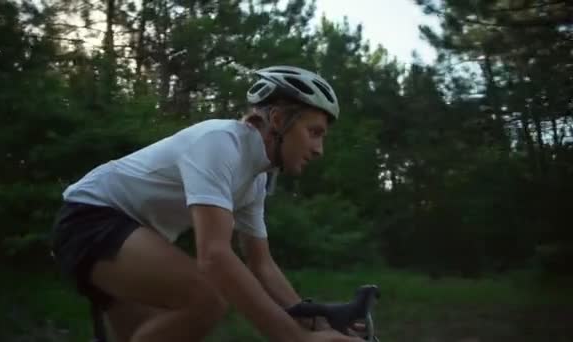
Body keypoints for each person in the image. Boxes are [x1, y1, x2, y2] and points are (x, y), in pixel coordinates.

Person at [51, 65, 364, 342]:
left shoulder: (254, 180)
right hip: (89, 219)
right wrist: (295, 339)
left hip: (128, 235)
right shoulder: (221, 143)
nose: (319, 149)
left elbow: (262, 266)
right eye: (314, 132)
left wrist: (315, 321)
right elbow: (214, 256)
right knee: (208, 298)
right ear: (279, 120)